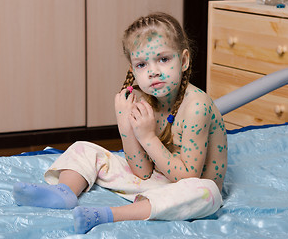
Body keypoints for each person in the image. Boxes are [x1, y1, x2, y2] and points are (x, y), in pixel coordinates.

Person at [13, 12, 227, 234]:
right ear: (133, 69)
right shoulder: (141, 98)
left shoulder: (196, 106)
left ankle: (108, 215)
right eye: (142, 64)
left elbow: (188, 178)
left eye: (163, 59)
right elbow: (142, 172)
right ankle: (64, 191)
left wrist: (148, 137)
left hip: (189, 189)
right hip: (157, 180)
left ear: (183, 61)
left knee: (206, 193)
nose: (153, 71)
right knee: (83, 148)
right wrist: (125, 124)